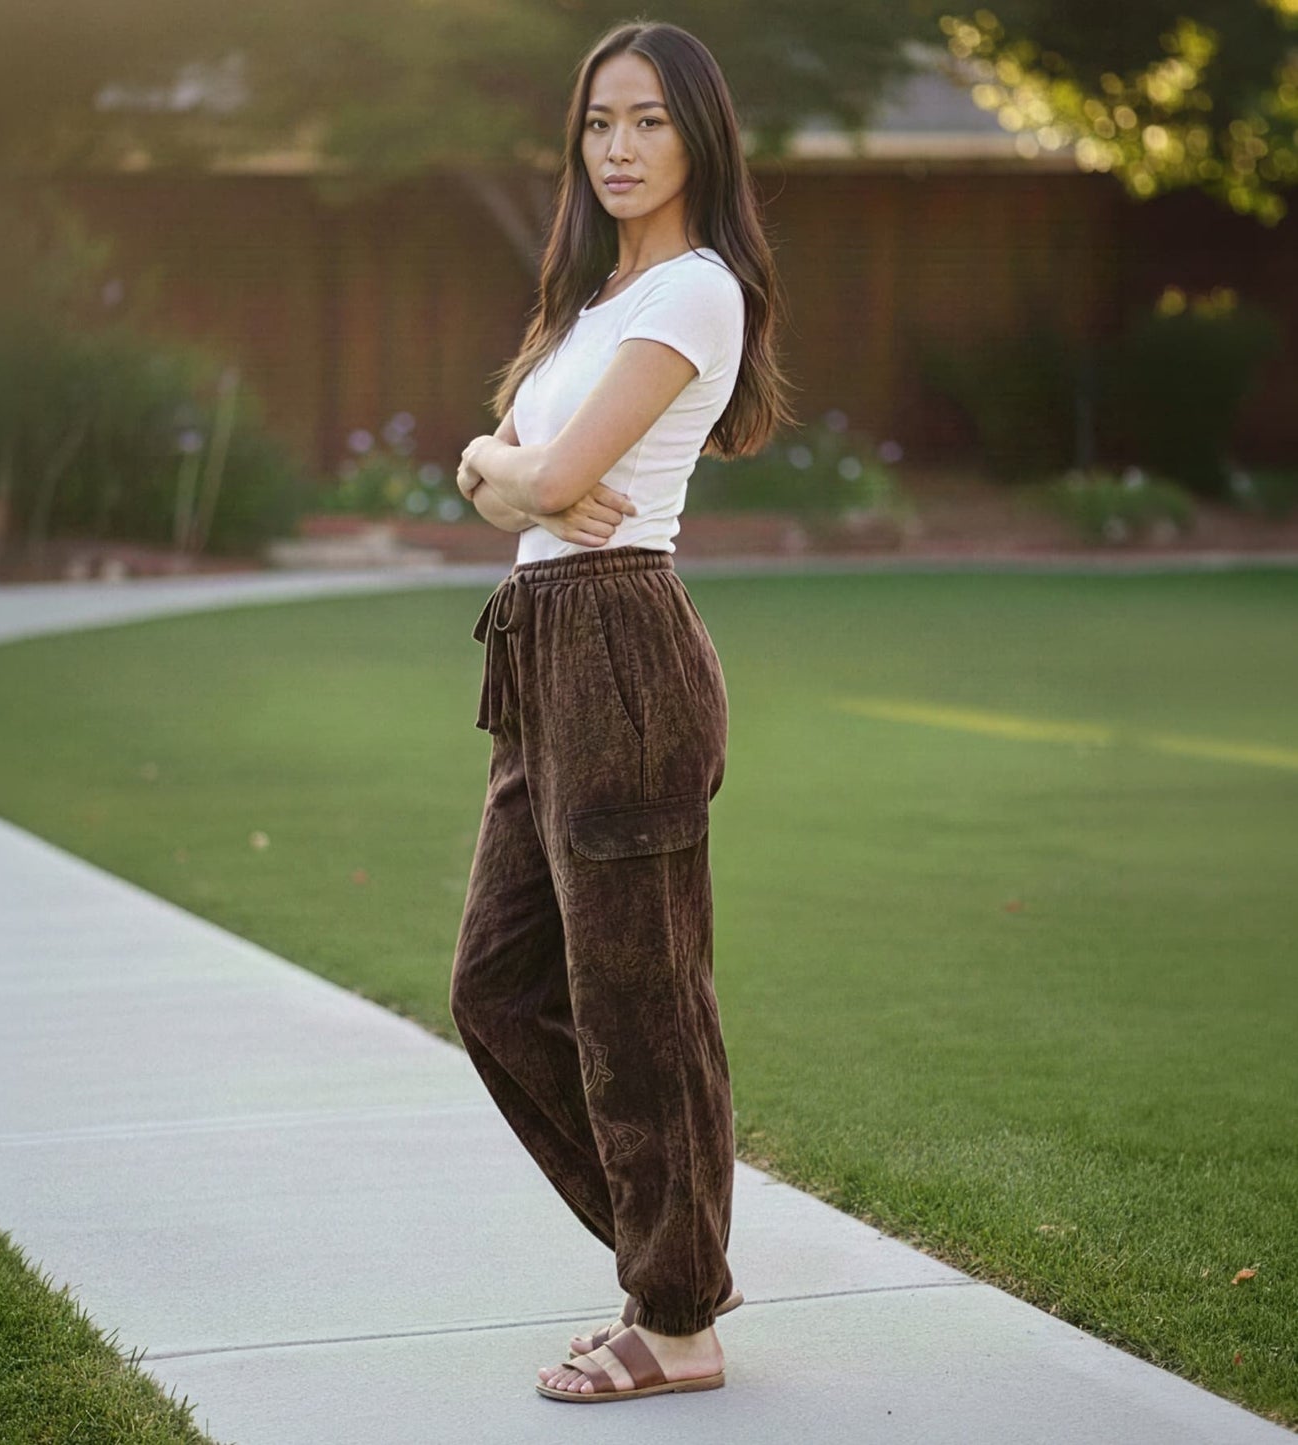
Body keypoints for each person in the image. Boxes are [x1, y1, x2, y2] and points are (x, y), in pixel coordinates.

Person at [448, 17, 795, 1404]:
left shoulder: (694, 294)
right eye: (599, 121)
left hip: (617, 649)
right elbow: (503, 480)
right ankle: (678, 1261)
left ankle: (675, 1317)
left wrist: (508, 471)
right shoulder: (592, 306)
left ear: (698, 134)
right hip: (540, 649)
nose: (617, 146)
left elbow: (552, 482)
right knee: (496, 990)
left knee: (640, 1001)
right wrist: (498, 460)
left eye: (646, 119)